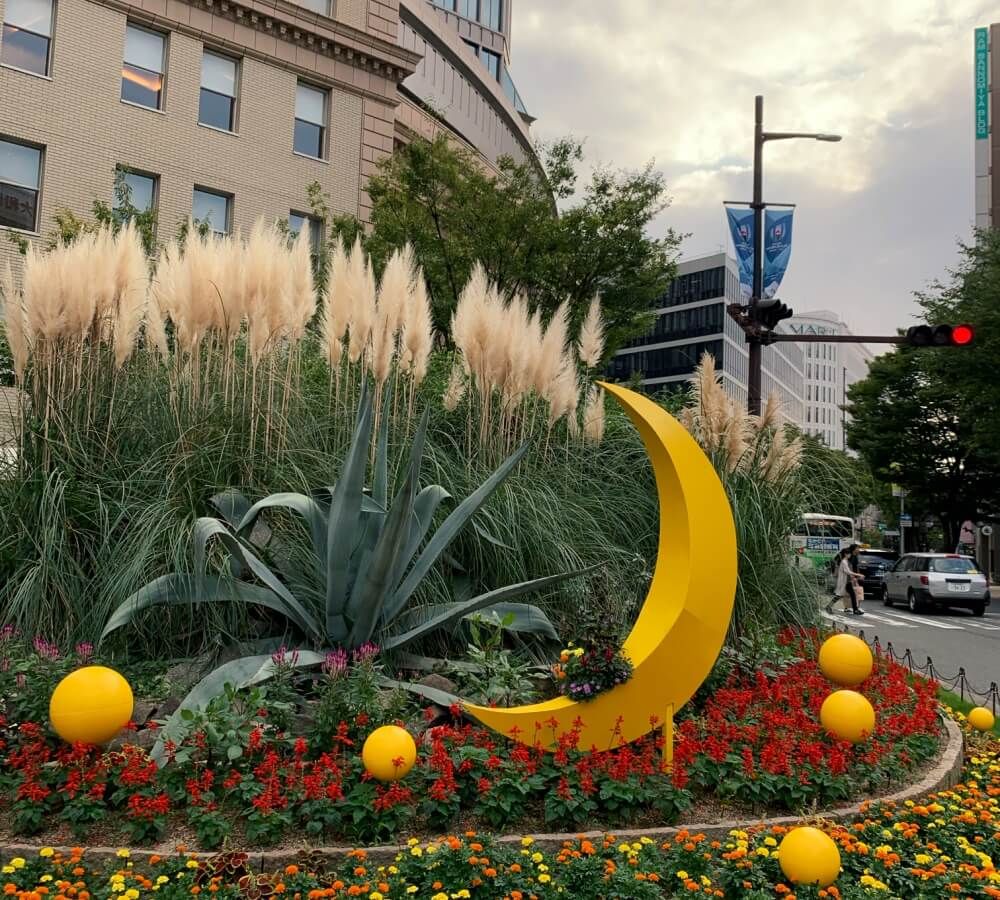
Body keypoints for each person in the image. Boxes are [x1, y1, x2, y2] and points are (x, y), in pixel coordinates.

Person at [833, 544, 864, 615]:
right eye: (857, 548)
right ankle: (855, 610)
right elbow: (848, 571)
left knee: (851, 594)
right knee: (840, 595)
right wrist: (858, 575)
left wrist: (855, 577)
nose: (858, 550)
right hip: (844, 581)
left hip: (848, 580)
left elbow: (854, 568)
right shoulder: (844, 561)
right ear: (846, 554)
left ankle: (855, 610)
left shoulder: (850, 559)